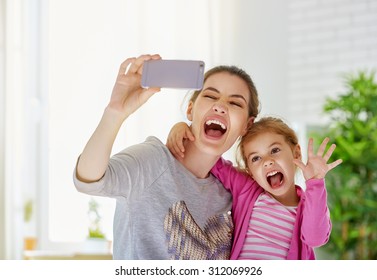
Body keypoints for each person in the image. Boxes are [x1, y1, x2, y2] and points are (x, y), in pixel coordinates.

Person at [73, 54, 260, 259]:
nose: (220, 106)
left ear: (246, 126)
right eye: (210, 96)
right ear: (190, 110)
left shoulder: (229, 192)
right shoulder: (152, 162)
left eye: (235, 103)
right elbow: (88, 180)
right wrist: (115, 111)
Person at [167, 117, 342, 259]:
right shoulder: (247, 189)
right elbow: (212, 160)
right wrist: (185, 129)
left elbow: (315, 238)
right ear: (250, 171)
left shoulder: (309, 207)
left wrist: (316, 182)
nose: (267, 161)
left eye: (274, 150)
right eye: (256, 158)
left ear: (296, 153)